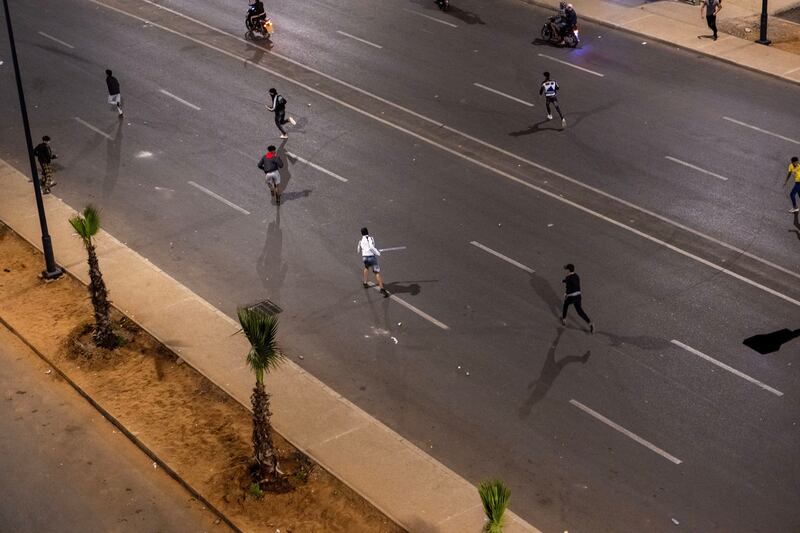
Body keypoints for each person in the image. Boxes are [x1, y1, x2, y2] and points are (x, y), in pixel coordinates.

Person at [561, 263, 594, 333]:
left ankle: (564, 319)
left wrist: (566, 294)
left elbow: (568, 288)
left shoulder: (568, 278)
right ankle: (590, 323)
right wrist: (564, 281)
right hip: (578, 296)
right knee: (580, 311)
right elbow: (573, 283)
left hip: (572, 296)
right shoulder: (577, 276)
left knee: (565, 305)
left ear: (568, 270)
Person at [357, 227, 389, 297]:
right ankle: (382, 289)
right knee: (377, 272)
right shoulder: (370, 238)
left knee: (366, 267)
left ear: (361, 233)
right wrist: (378, 253)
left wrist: (365, 250)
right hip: (371, 258)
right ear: (367, 232)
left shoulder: (360, 241)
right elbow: (371, 247)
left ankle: (365, 283)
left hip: (364, 258)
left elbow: (358, 250)